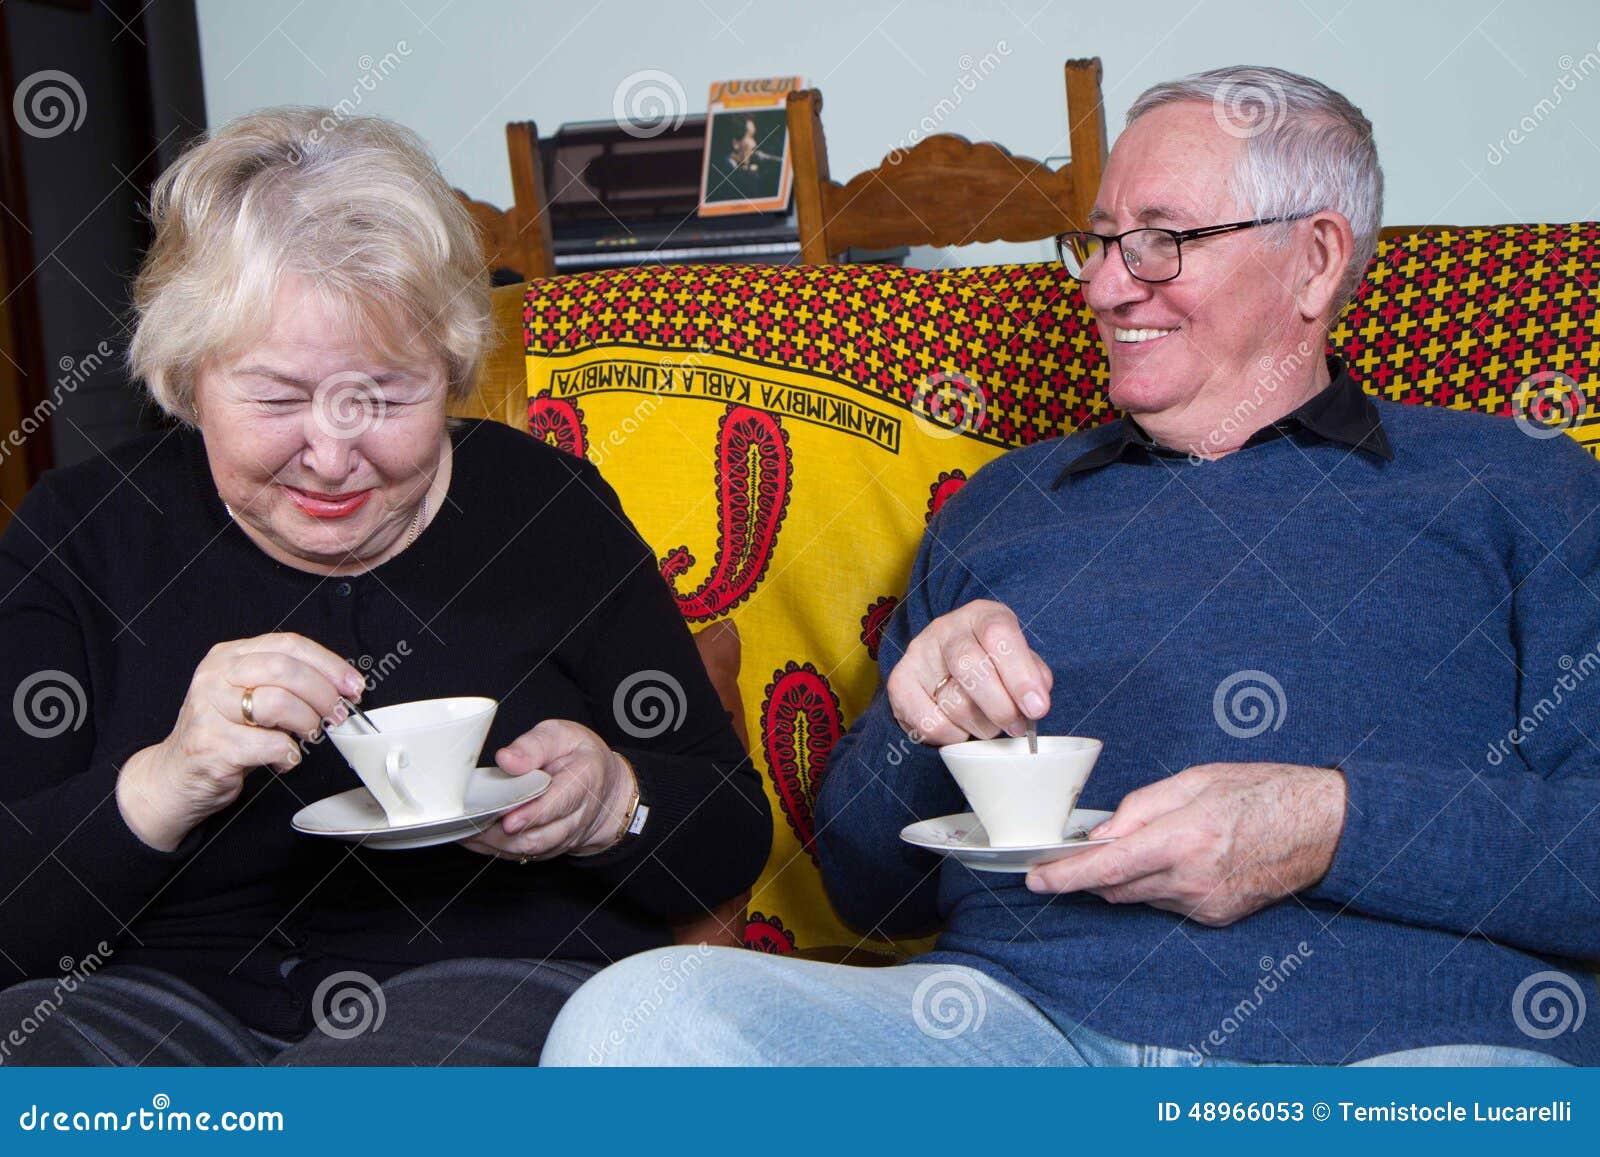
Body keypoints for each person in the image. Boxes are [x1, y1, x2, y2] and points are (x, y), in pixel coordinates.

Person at [541, 66, 1599, 1067]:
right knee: (639, 1019)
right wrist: (916, 727)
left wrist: (1327, 823)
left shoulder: (1516, 488)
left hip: (1393, 1050)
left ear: (1315, 260)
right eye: (1094, 244)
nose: (1102, 288)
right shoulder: (1006, 506)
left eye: (1157, 243)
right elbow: (869, 891)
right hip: (1016, 1036)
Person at [0, 108, 769, 1065]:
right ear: (187, 376)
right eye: (276, 398)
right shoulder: (82, 531)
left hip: (482, 990)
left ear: (448, 370)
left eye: (385, 396)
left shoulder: (544, 507)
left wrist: (615, 799)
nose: (330, 457)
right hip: (150, 1008)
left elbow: (730, 836)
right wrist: (163, 782)